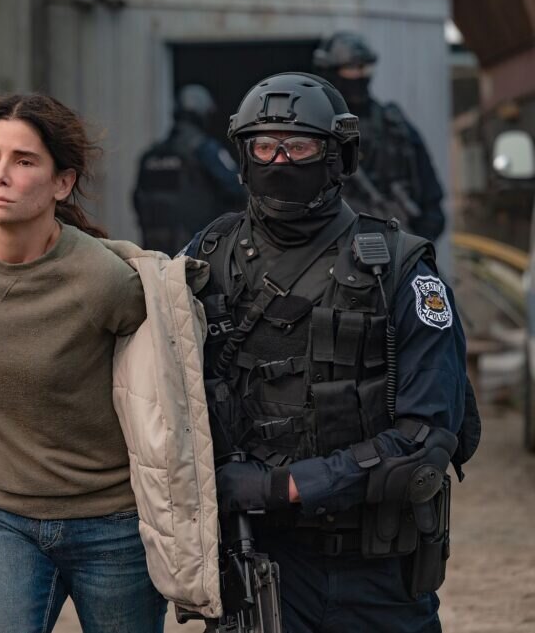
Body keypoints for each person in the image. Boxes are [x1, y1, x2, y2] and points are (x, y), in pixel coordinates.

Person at [0, 92, 224, 633]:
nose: (0, 175)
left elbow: (162, 369)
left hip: (112, 521)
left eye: (24, 161)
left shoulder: (103, 281)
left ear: (62, 183)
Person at [182, 72, 468, 632]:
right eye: (264, 146)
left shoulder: (399, 267)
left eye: (300, 147)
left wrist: (282, 488)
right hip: (256, 560)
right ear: (243, 156)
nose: (280, 161)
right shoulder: (206, 257)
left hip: (376, 569)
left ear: (338, 156)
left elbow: (427, 434)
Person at [314, 31, 446, 240]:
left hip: (395, 239)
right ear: (331, 72)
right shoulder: (315, 127)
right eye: (351, 68)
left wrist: (418, 240)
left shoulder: (394, 125)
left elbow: (431, 200)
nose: (360, 75)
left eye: (364, 67)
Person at [133, 84, 243, 253]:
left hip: (154, 256)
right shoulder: (205, 149)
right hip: (196, 254)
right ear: (203, 114)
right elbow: (237, 188)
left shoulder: (151, 155)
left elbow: (137, 200)